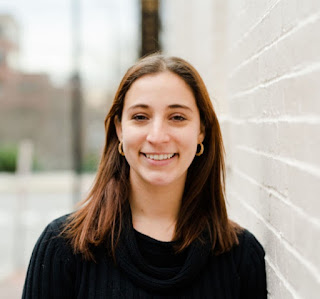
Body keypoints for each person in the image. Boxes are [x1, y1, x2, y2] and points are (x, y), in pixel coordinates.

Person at [22, 53, 267, 298]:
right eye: (140, 117)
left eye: (177, 117)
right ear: (119, 129)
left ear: (201, 130)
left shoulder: (241, 257)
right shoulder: (63, 248)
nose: (157, 136)